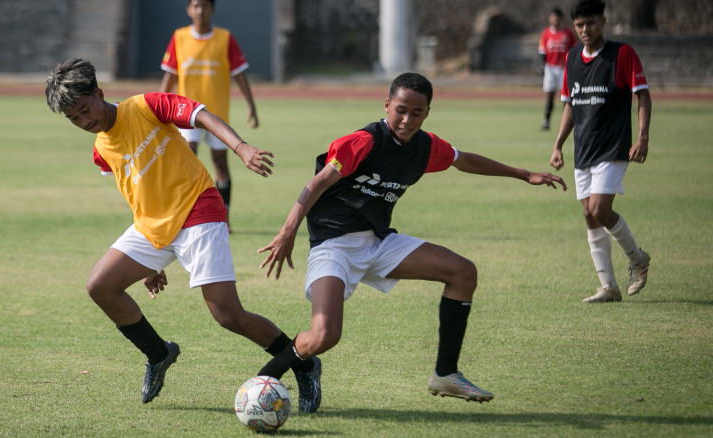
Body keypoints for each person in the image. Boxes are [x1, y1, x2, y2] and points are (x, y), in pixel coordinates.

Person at [255, 73, 567, 410]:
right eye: (400, 110)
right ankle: (261, 383)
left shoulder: (426, 147)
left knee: (462, 272)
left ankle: (446, 374)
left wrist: (524, 174)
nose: (406, 120)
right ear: (387, 105)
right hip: (334, 245)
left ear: (427, 112)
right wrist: (287, 232)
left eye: (416, 113)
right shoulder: (362, 141)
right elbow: (315, 185)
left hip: (378, 243)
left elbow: (466, 161)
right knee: (323, 337)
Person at [44, 58, 320, 408]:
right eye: (74, 119)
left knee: (228, 315)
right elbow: (136, 191)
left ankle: (303, 361)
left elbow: (202, 116)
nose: (84, 121)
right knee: (100, 286)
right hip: (152, 226)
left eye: (85, 110)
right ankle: (158, 354)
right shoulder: (101, 151)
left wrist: (241, 148)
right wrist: (150, 262)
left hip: (198, 211)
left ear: (99, 93)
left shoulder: (145, 106)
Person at [550, 0, 652, 303]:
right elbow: (570, 104)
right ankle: (608, 286)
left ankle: (638, 259)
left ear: (603, 21)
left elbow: (642, 96)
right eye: (579, 25)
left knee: (599, 209)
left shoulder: (622, 54)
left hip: (613, 147)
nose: (585, 30)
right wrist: (558, 144)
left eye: (591, 23)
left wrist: (643, 137)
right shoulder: (571, 59)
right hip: (584, 150)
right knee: (588, 214)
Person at [159, 0, 259, 232]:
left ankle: (224, 216)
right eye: (195, 6)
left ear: (212, 9)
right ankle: (187, 214)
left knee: (220, 162)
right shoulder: (179, 37)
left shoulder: (225, 38)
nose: (200, 11)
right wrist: (157, 109)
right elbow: (169, 78)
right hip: (185, 113)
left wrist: (251, 105)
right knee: (187, 160)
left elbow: (239, 75)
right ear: (188, 10)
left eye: (204, 6)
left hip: (216, 114)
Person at [537, 7, 577, 131]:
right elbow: (542, 51)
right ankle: (547, 122)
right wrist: (541, 65)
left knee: (565, 97)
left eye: (558, 17)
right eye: (554, 16)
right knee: (549, 96)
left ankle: (567, 123)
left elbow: (574, 51)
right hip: (550, 68)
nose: (556, 19)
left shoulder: (568, 33)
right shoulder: (546, 33)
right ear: (550, 18)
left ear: (561, 19)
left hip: (563, 69)